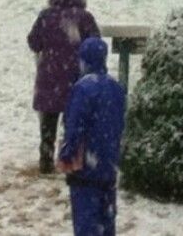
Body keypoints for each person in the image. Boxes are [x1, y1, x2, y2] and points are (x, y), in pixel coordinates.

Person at [26, 0, 100, 174]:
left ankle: (46, 158)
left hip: (49, 78)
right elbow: (95, 44)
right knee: (73, 121)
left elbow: (33, 42)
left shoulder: (46, 17)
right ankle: (71, 159)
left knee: (48, 121)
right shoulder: (84, 18)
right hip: (75, 77)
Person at [58, 37, 126, 236]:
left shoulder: (83, 88)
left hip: (87, 168)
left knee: (87, 223)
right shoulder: (116, 87)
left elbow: (75, 127)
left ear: (84, 60)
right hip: (109, 165)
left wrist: (67, 154)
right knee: (107, 221)